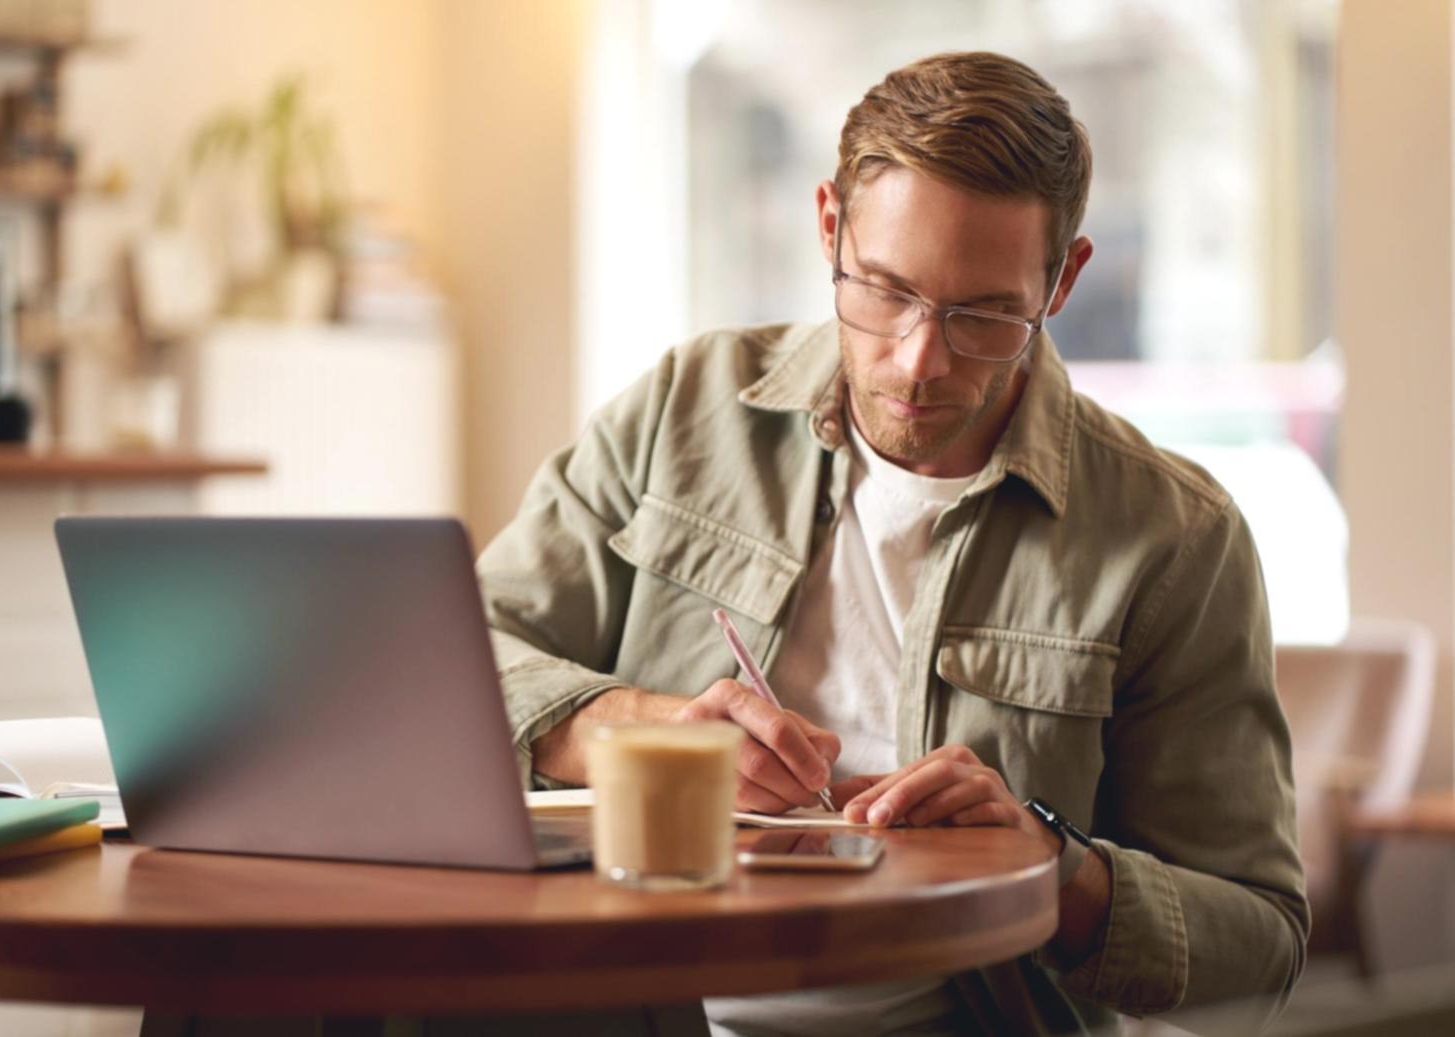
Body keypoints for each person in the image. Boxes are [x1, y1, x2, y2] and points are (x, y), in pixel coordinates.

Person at [477, 50, 1308, 1035]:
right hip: (626, 1009)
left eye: (984, 313)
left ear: (1063, 278)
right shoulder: (681, 410)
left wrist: (1052, 867)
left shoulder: (1173, 536)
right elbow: (460, 661)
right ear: (828, 225)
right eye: (883, 290)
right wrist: (629, 729)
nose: (920, 358)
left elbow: (1259, 943)